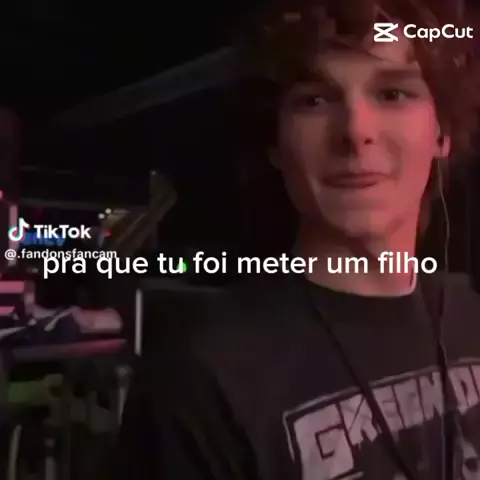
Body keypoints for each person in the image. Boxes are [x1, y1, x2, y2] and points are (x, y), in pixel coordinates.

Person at [107, 0, 480, 478]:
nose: (356, 131)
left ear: (441, 134)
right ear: (275, 144)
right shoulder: (201, 376)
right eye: (314, 100)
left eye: (392, 93)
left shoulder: (471, 315)